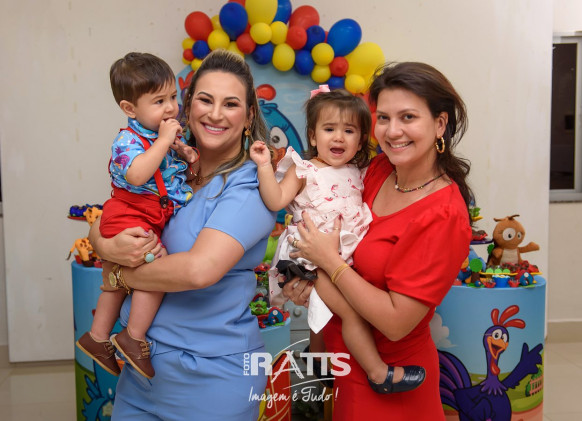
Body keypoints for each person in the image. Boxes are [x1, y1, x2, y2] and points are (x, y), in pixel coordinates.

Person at [88, 49, 276, 420]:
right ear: (187, 108)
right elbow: (111, 215)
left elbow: (197, 270)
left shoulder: (250, 185)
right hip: (141, 372)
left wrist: (118, 271)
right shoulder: (169, 164)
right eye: (205, 100)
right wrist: (104, 242)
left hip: (212, 378)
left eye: (231, 104)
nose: (216, 114)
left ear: (249, 116)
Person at [282, 62, 473, 420]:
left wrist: (327, 261)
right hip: (344, 367)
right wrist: (306, 283)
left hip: (390, 382)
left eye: (408, 117)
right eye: (383, 118)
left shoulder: (443, 214)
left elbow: (396, 322)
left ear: (440, 124)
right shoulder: (380, 170)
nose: (392, 130)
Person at [249, 87, 425, 393]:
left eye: (349, 130)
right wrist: (265, 166)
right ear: (313, 136)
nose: (339, 138)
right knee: (350, 313)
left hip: (340, 259)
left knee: (329, 313)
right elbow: (276, 200)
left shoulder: (359, 172)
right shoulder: (303, 170)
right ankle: (378, 373)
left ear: (361, 140)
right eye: (329, 129)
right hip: (310, 260)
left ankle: (318, 359)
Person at [77, 52, 199, 379]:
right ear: (130, 109)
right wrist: (164, 141)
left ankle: (97, 336)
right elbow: (137, 174)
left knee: (117, 281)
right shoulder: (128, 140)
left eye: (173, 96)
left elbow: (173, 172)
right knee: (157, 271)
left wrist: (184, 152)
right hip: (128, 212)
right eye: (159, 101)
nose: (171, 107)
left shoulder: (161, 135)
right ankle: (133, 336)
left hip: (144, 214)